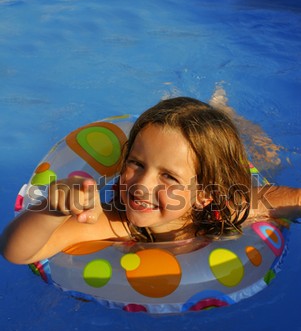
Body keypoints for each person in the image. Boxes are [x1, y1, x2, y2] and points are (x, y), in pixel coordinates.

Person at [1, 96, 300, 265]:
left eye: (168, 176)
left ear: (204, 194)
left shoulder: (231, 207)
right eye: (136, 163)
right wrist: (53, 209)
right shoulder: (116, 222)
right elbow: (16, 252)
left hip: (235, 180)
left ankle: (224, 108)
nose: (142, 185)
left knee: (266, 154)